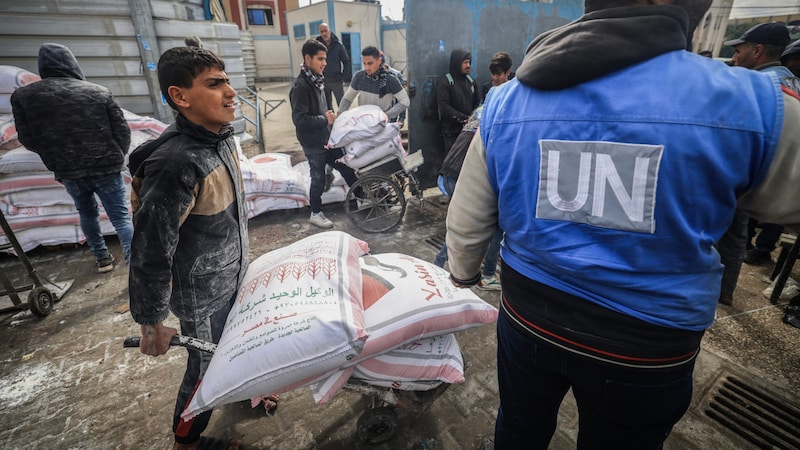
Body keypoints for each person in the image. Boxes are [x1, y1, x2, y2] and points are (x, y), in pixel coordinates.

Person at [445, 0, 800, 448]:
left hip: (530, 318)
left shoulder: (506, 100)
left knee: (519, 426)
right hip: (648, 345)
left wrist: (463, 271)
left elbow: (469, 210)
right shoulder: (753, 104)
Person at [127, 46, 268, 450]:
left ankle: (243, 392)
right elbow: (150, 250)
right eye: (214, 84)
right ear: (180, 96)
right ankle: (185, 440)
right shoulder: (175, 164)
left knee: (236, 346)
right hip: (201, 292)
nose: (230, 92)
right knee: (207, 364)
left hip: (231, 274)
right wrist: (151, 320)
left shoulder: (219, 140)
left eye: (226, 80)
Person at [11, 43, 133, 273]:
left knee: (87, 214)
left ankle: (102, 260)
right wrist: (118, 155)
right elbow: (122, 130)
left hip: (68, 170)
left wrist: (54, 155)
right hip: (106, 166)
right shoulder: (98, 91)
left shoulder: (24, 96)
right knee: (121, 218)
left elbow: (27, 137)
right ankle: (135, 267)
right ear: (72, 63)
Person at [724, 22, 800, 268]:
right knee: (737, 235)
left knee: (730, 232)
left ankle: (722, 290)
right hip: (785, 178)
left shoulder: (758, 85)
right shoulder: (791, 81)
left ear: (757, 51)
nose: (736, 57)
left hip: (753, 171)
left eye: (740, 50)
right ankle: (725, 290)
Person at [290, 39, 358, 229]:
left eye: (325, 59)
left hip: (326, 138)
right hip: (313, 142)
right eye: (320, 59)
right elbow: (300, 120)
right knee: (318, 177)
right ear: (307, 58)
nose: (324, 63)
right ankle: (316, 213)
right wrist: (324, 120)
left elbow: (324, 108)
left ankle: (362, 199)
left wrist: (331, 120)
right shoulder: (301, 86)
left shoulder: (317, 80)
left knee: (346, 166)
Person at [433, 107, 502, 291]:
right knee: (495, 228)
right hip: (460, 176)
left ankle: (438, 264)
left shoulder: (481, 111)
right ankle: (487, 276)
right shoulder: (502, 122)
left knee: (461, 223)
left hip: (446, 173)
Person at [338, 46, 410, 123]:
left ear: (379, 61)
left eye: (370, 63)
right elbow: (347, 99)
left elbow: (405, 101)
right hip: (363, 122)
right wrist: (340, 114)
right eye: (364, 63)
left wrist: (387, 115)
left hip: (382, 124)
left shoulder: (391, 80)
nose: (366, 67)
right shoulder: (359, 77)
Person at [437, 48, 480, 153]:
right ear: (457, 63)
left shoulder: (471, 82)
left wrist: (472, 120)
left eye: (469, 62)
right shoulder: (445, 83)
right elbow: (444, 107)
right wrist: (463, 119)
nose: (468, 65)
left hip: (469, 131)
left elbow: (478, 103)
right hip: (451, 133)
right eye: (465, 62)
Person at [316, 23, 351, 111]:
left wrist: (343, 78)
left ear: (330, 31)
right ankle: (330, 124)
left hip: (337, 81)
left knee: (342, 105)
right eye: (322, 31)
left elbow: (346, 62)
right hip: (323, 81)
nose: (324, 33)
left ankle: (343, 122)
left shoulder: (338, 45)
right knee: (327, 107)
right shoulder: (317, 46)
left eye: (325, 31)